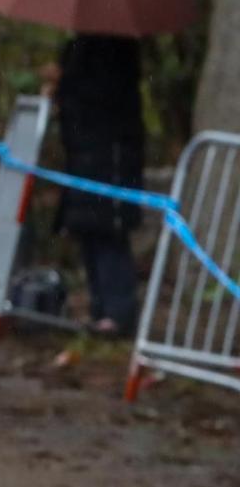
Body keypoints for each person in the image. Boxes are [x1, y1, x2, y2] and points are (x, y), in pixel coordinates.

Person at [52, 33, 145, 332]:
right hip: (82, 152)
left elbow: (106, 95)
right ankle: (100, 306)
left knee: (108, 231)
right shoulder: (80, 45)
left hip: (111, 153)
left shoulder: (117, 48)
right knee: (88, 230)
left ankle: (119, 312)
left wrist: (66, 84)